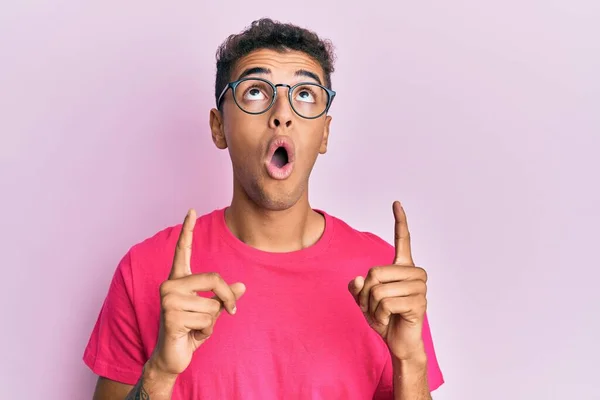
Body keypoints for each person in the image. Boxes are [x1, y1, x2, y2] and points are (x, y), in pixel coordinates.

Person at [84, 18, 445, 400]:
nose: (282, 113)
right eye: (255, 91)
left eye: (305, 94)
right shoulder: (144, 270)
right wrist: (159, 372)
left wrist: (411, 362)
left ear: (324, 132)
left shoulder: (383, 277)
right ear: (218, 127)